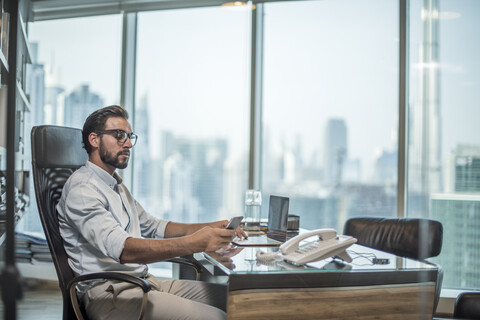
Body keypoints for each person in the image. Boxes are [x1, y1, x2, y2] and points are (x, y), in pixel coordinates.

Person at [57, 105, 247, 320]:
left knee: (240, 301)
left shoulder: (115, 186)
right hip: (112, 297)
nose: (128, 144)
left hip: (143, 283)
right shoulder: (83, 190)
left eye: (129, 137)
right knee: (216, 317)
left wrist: (211, 227)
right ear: (94, 139)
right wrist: (197, 242)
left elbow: (156, 227)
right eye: (119, 136)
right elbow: (125, 251)